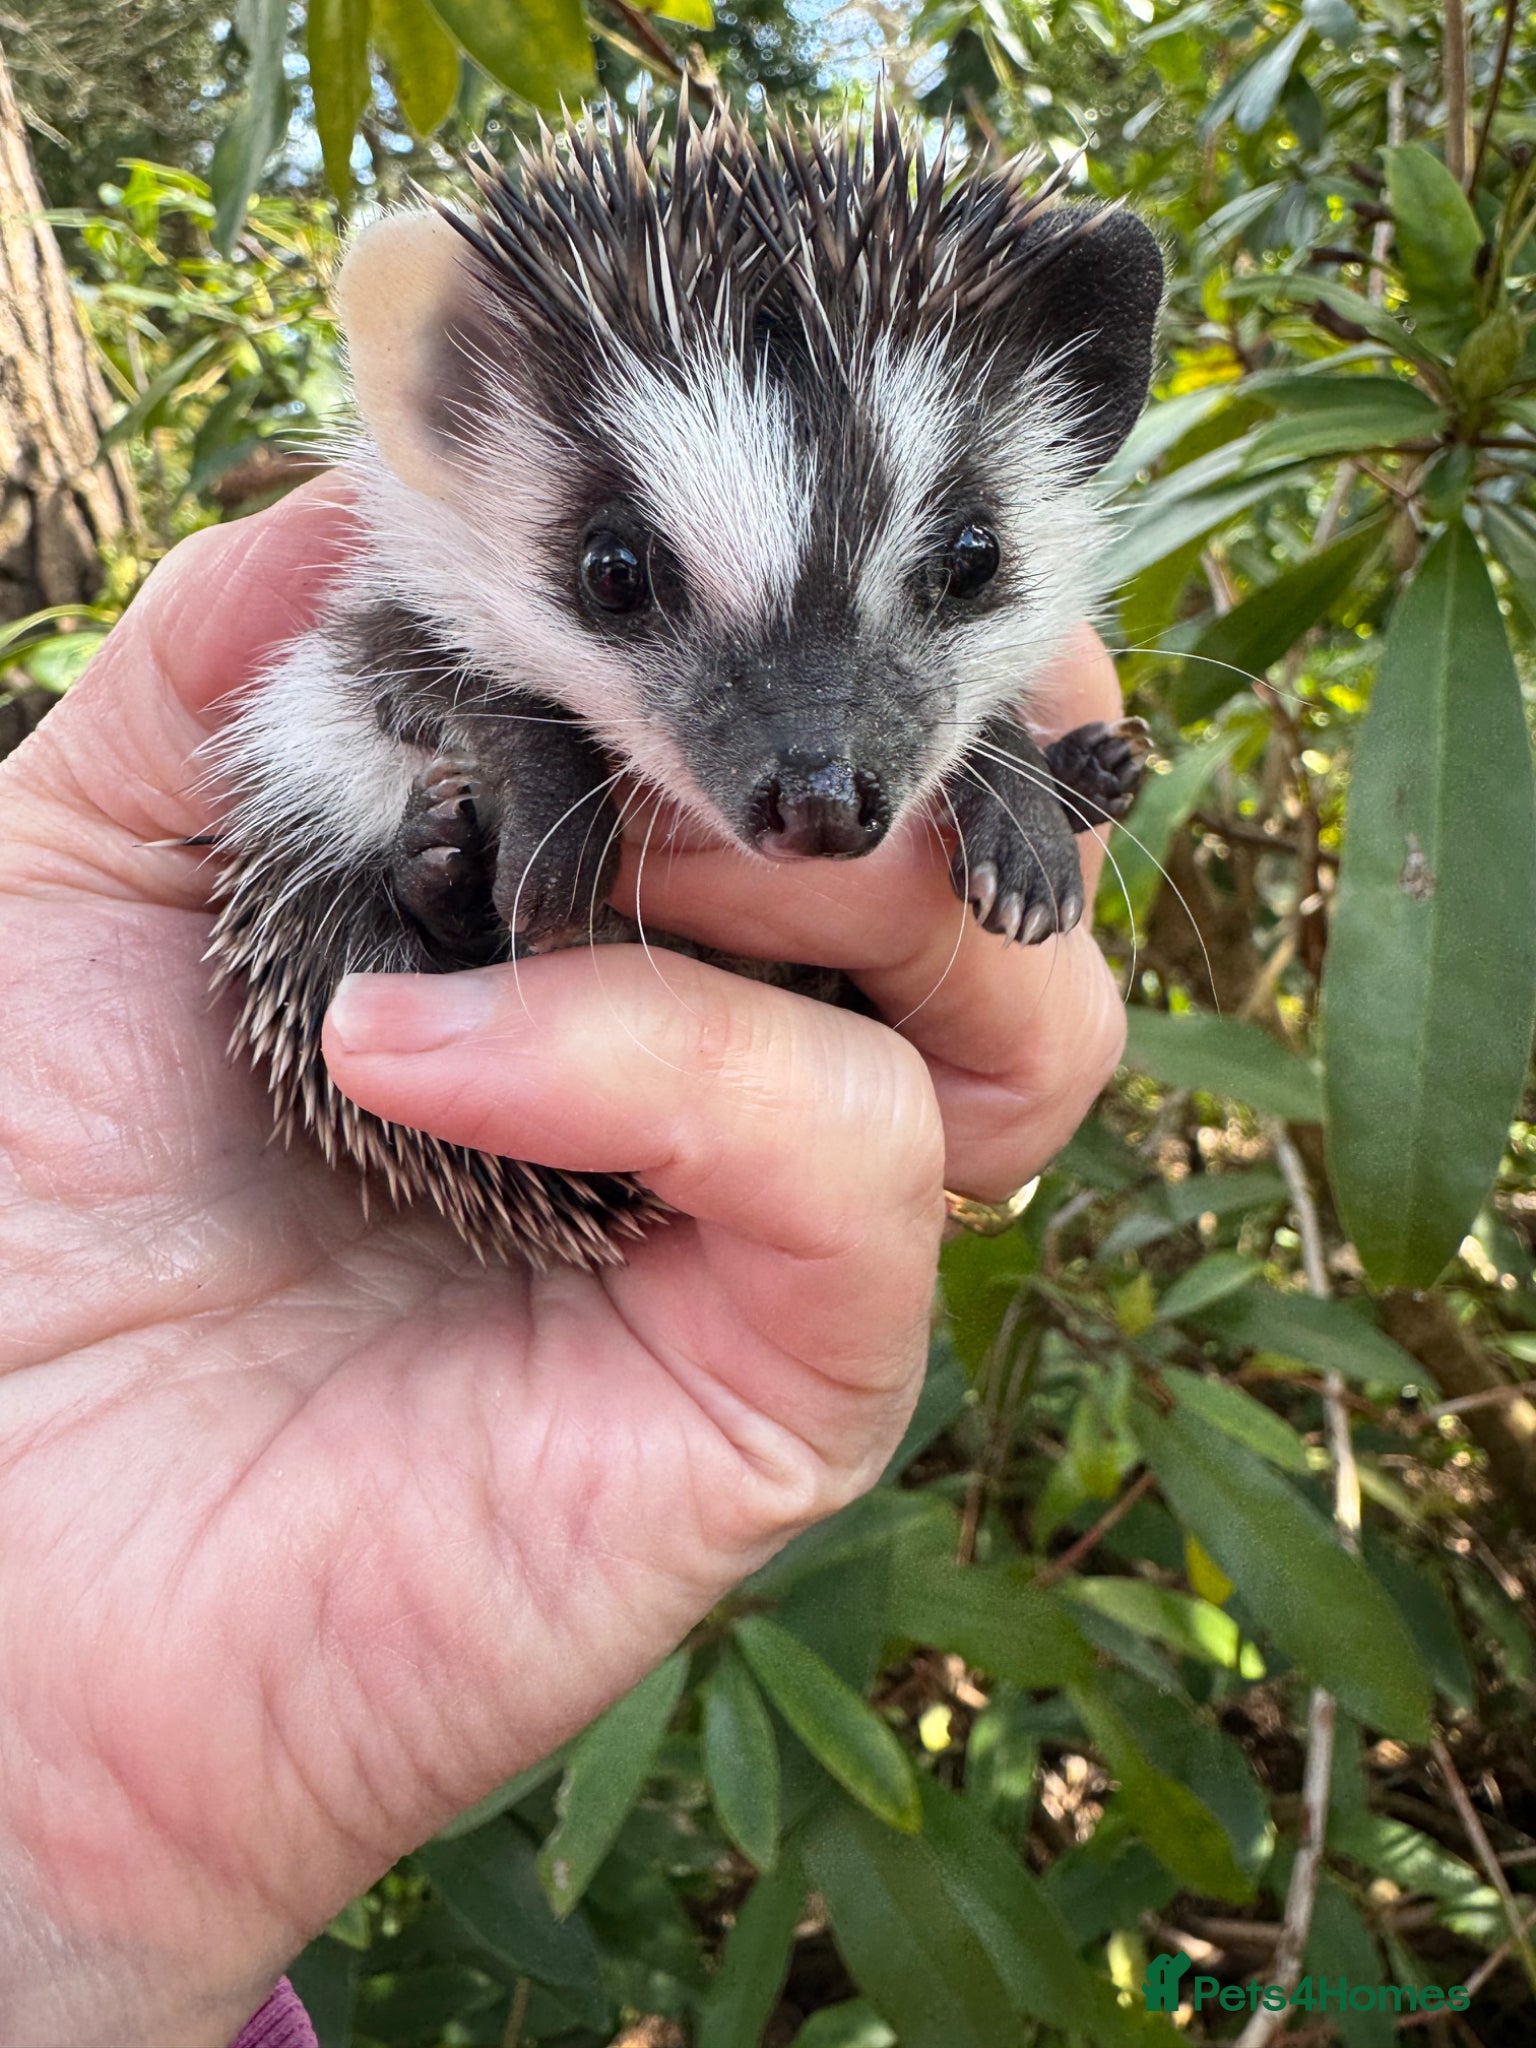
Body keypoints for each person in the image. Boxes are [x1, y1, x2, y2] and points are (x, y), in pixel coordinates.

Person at [0, 481, 1128, 2047]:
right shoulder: (442, 565)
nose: (817, 780)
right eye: (623, 574)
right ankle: (461, 905)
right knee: (402, 742)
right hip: (398, 937)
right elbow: (397, 660)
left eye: (957, 568)